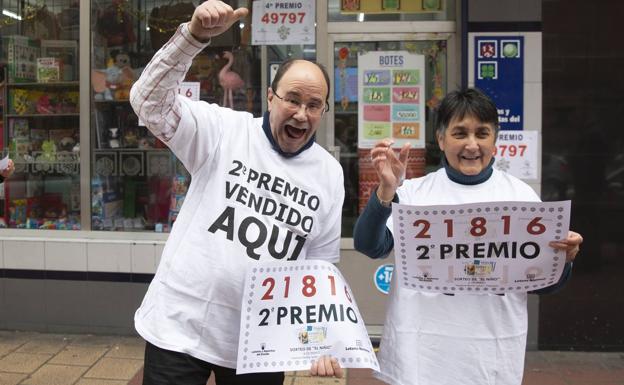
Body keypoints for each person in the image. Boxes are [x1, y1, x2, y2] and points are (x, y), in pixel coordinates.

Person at [129, 1, 345, 383]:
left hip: (261, 343)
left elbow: (320, 270)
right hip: (181, 325)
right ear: (271, 97)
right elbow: (148, 103)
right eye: (293, 99)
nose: (301, 114)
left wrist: (321, 339)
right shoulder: (222, 130)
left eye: (314, 105)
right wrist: (192, 37)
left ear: (323, 111)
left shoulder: (329, 173)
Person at [353, 88, 583, 385]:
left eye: (482, 133)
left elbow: (545, 286)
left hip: (491, 359)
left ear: (495, 141)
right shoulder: (413, 193)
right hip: (421, 359)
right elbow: (368, 245)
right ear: (440, 139)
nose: (472, 145)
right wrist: (385, 192)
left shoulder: (521, 197)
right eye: (460, 133)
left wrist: (563, 260)